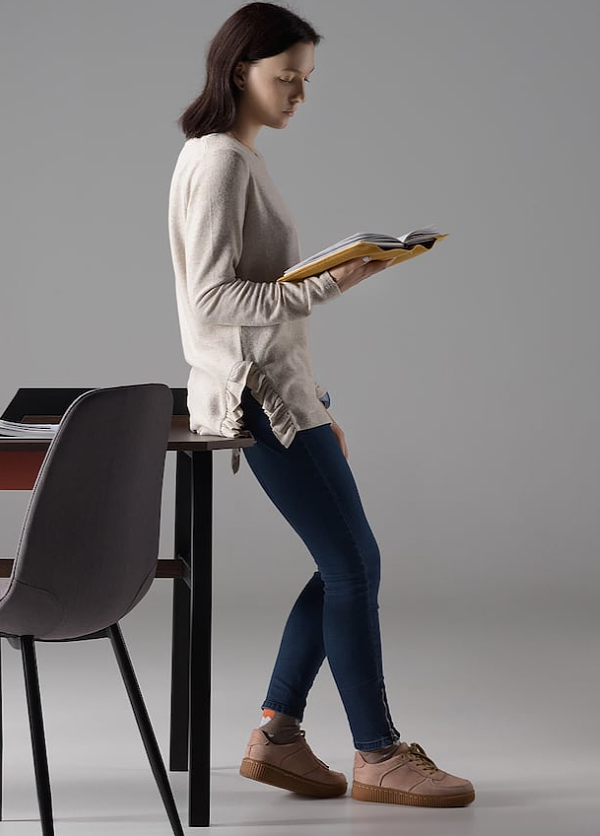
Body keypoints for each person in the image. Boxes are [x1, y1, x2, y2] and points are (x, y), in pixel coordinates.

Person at [167, 2, 474, 808]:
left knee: (346, 564)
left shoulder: (236, 157)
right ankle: (375, 755)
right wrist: (333, 281)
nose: (300, 93)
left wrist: (313, 396)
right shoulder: (221, 161)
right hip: (257, 399)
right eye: (286, 77)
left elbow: (258, 305)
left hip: (280, 395)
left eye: (307, 80)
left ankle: (278, 736)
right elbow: (213, 299)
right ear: (241, 71)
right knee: (353, 564)